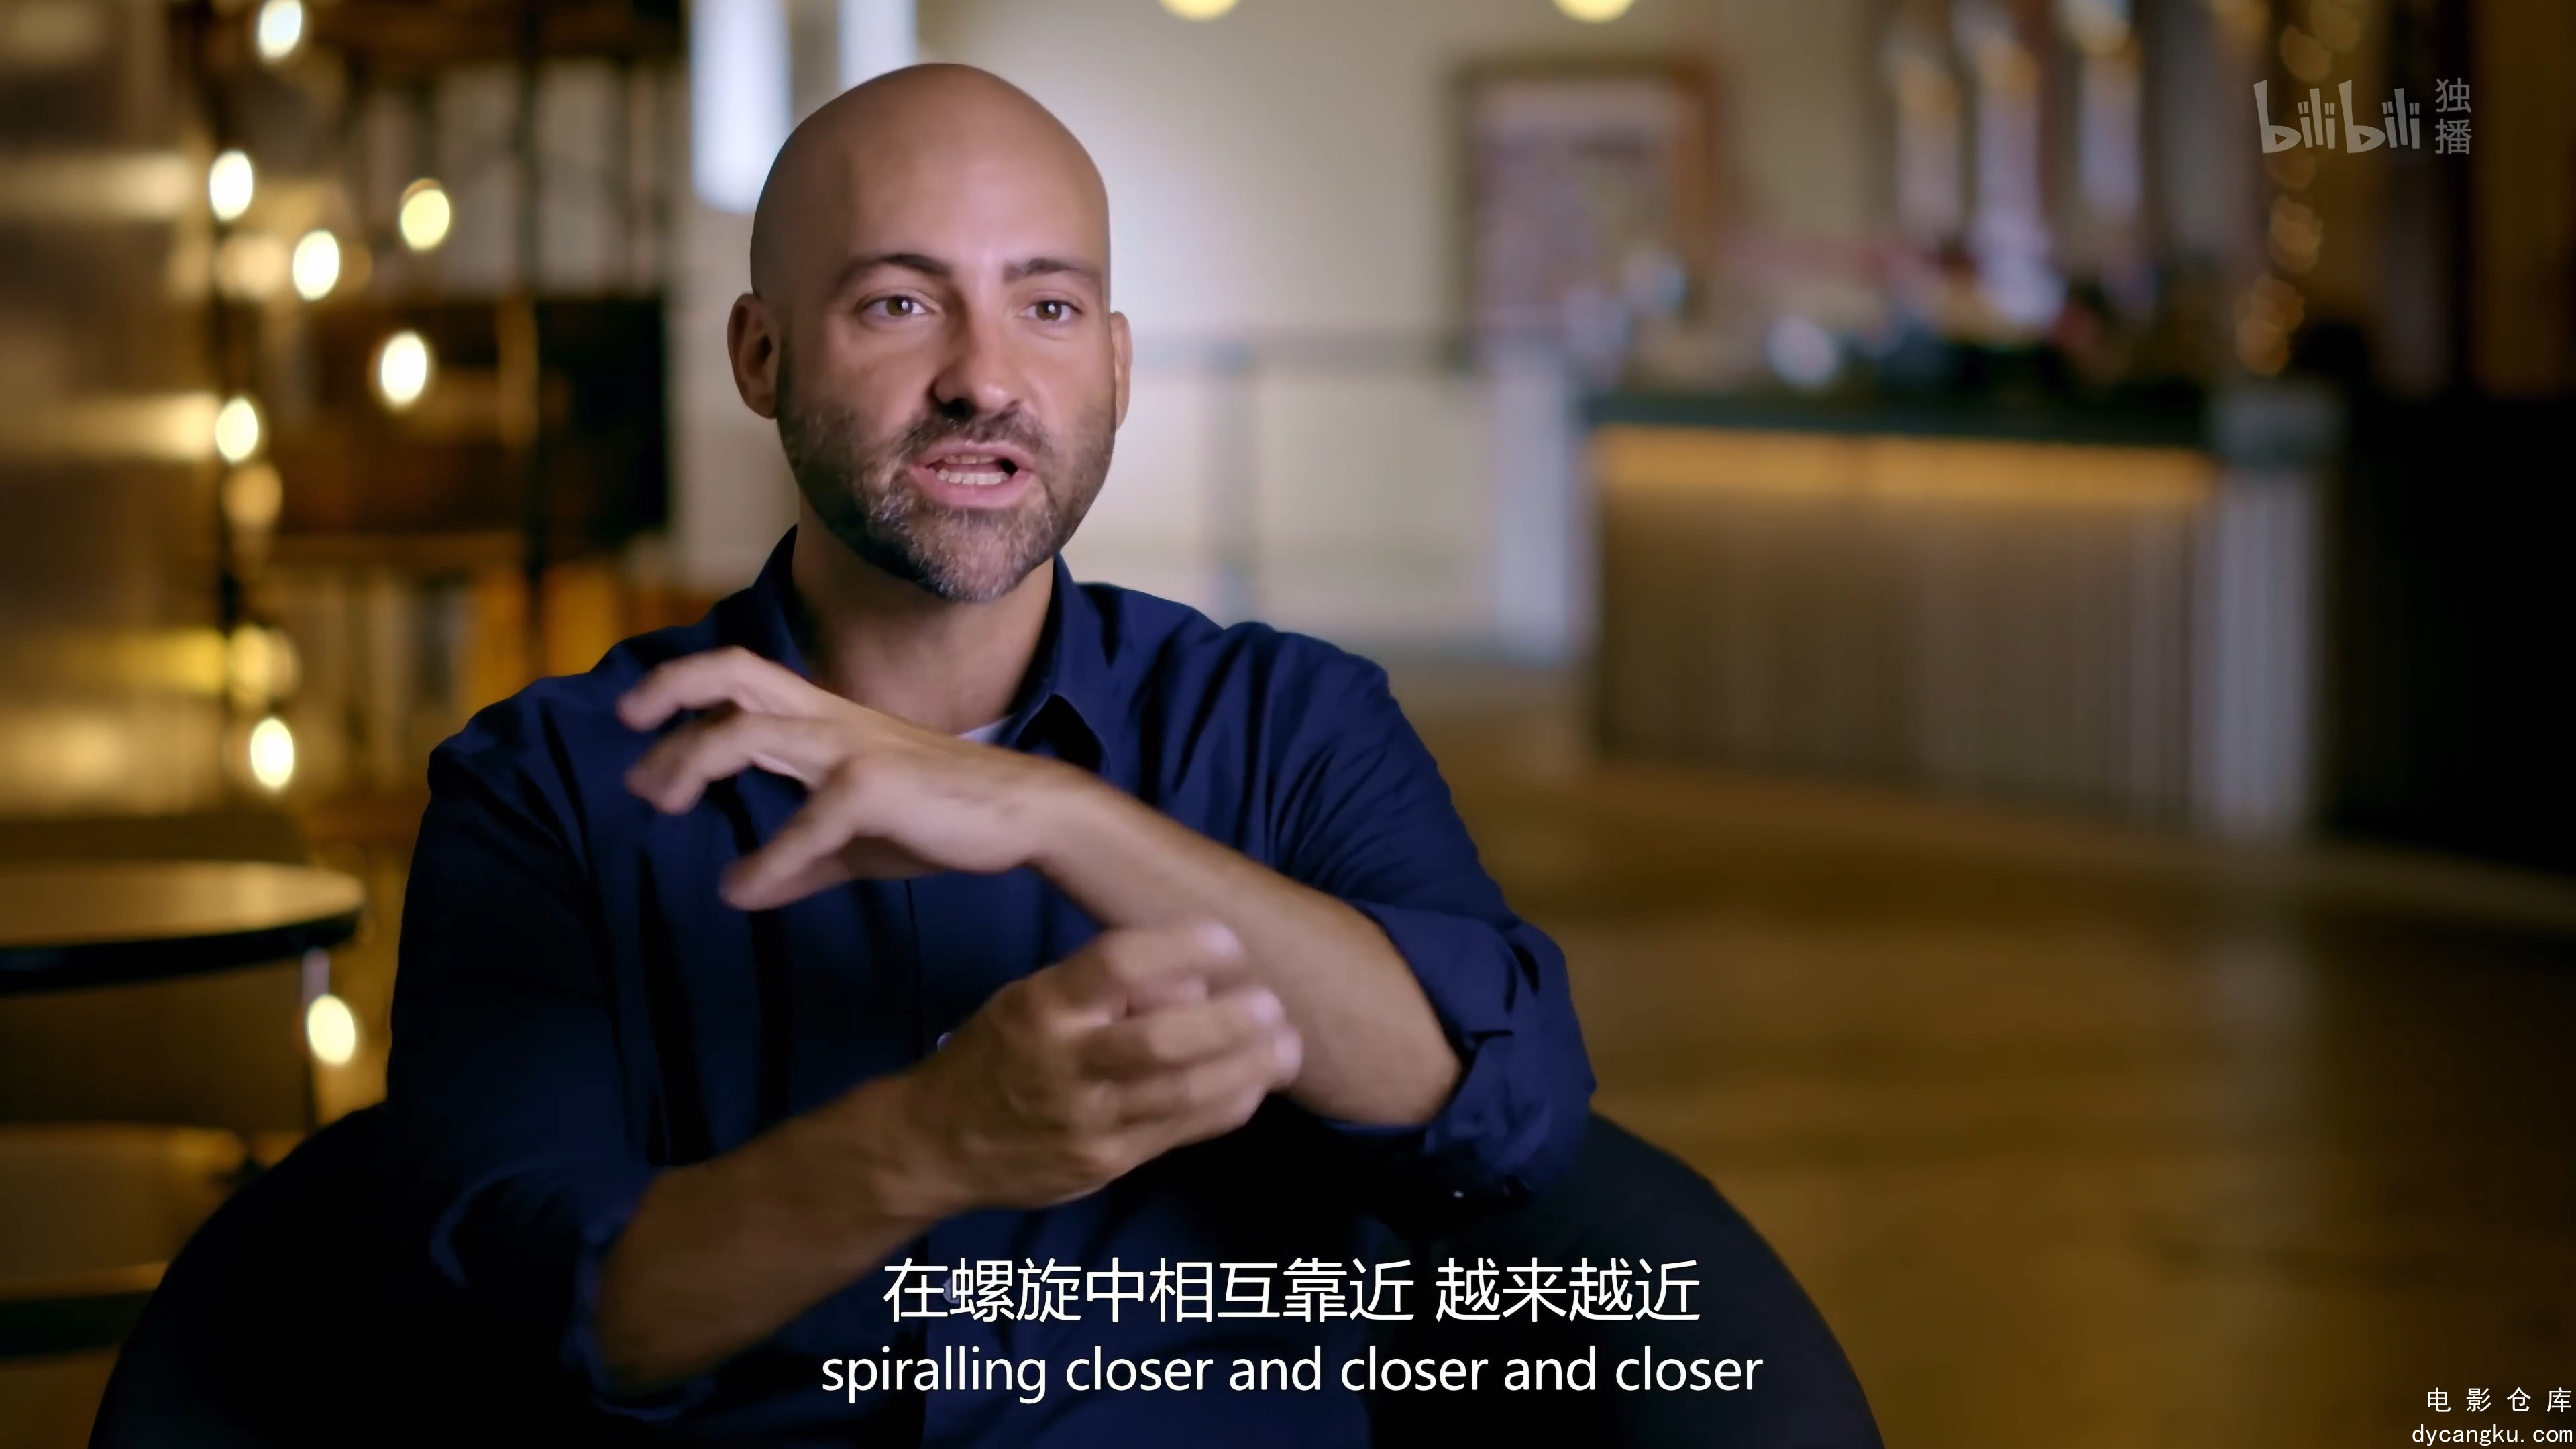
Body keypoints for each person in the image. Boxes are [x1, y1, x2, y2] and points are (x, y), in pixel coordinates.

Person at [384, 64, 1593, 1446]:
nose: (983, 380)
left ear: (1117, 366)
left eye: (1048, 308)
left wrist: (1060, 817)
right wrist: (929, 1145)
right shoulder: (549, 790)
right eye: (898, 304)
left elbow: (1507, 1111)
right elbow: (530, 1319)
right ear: (761, 356)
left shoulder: (1288, 721)